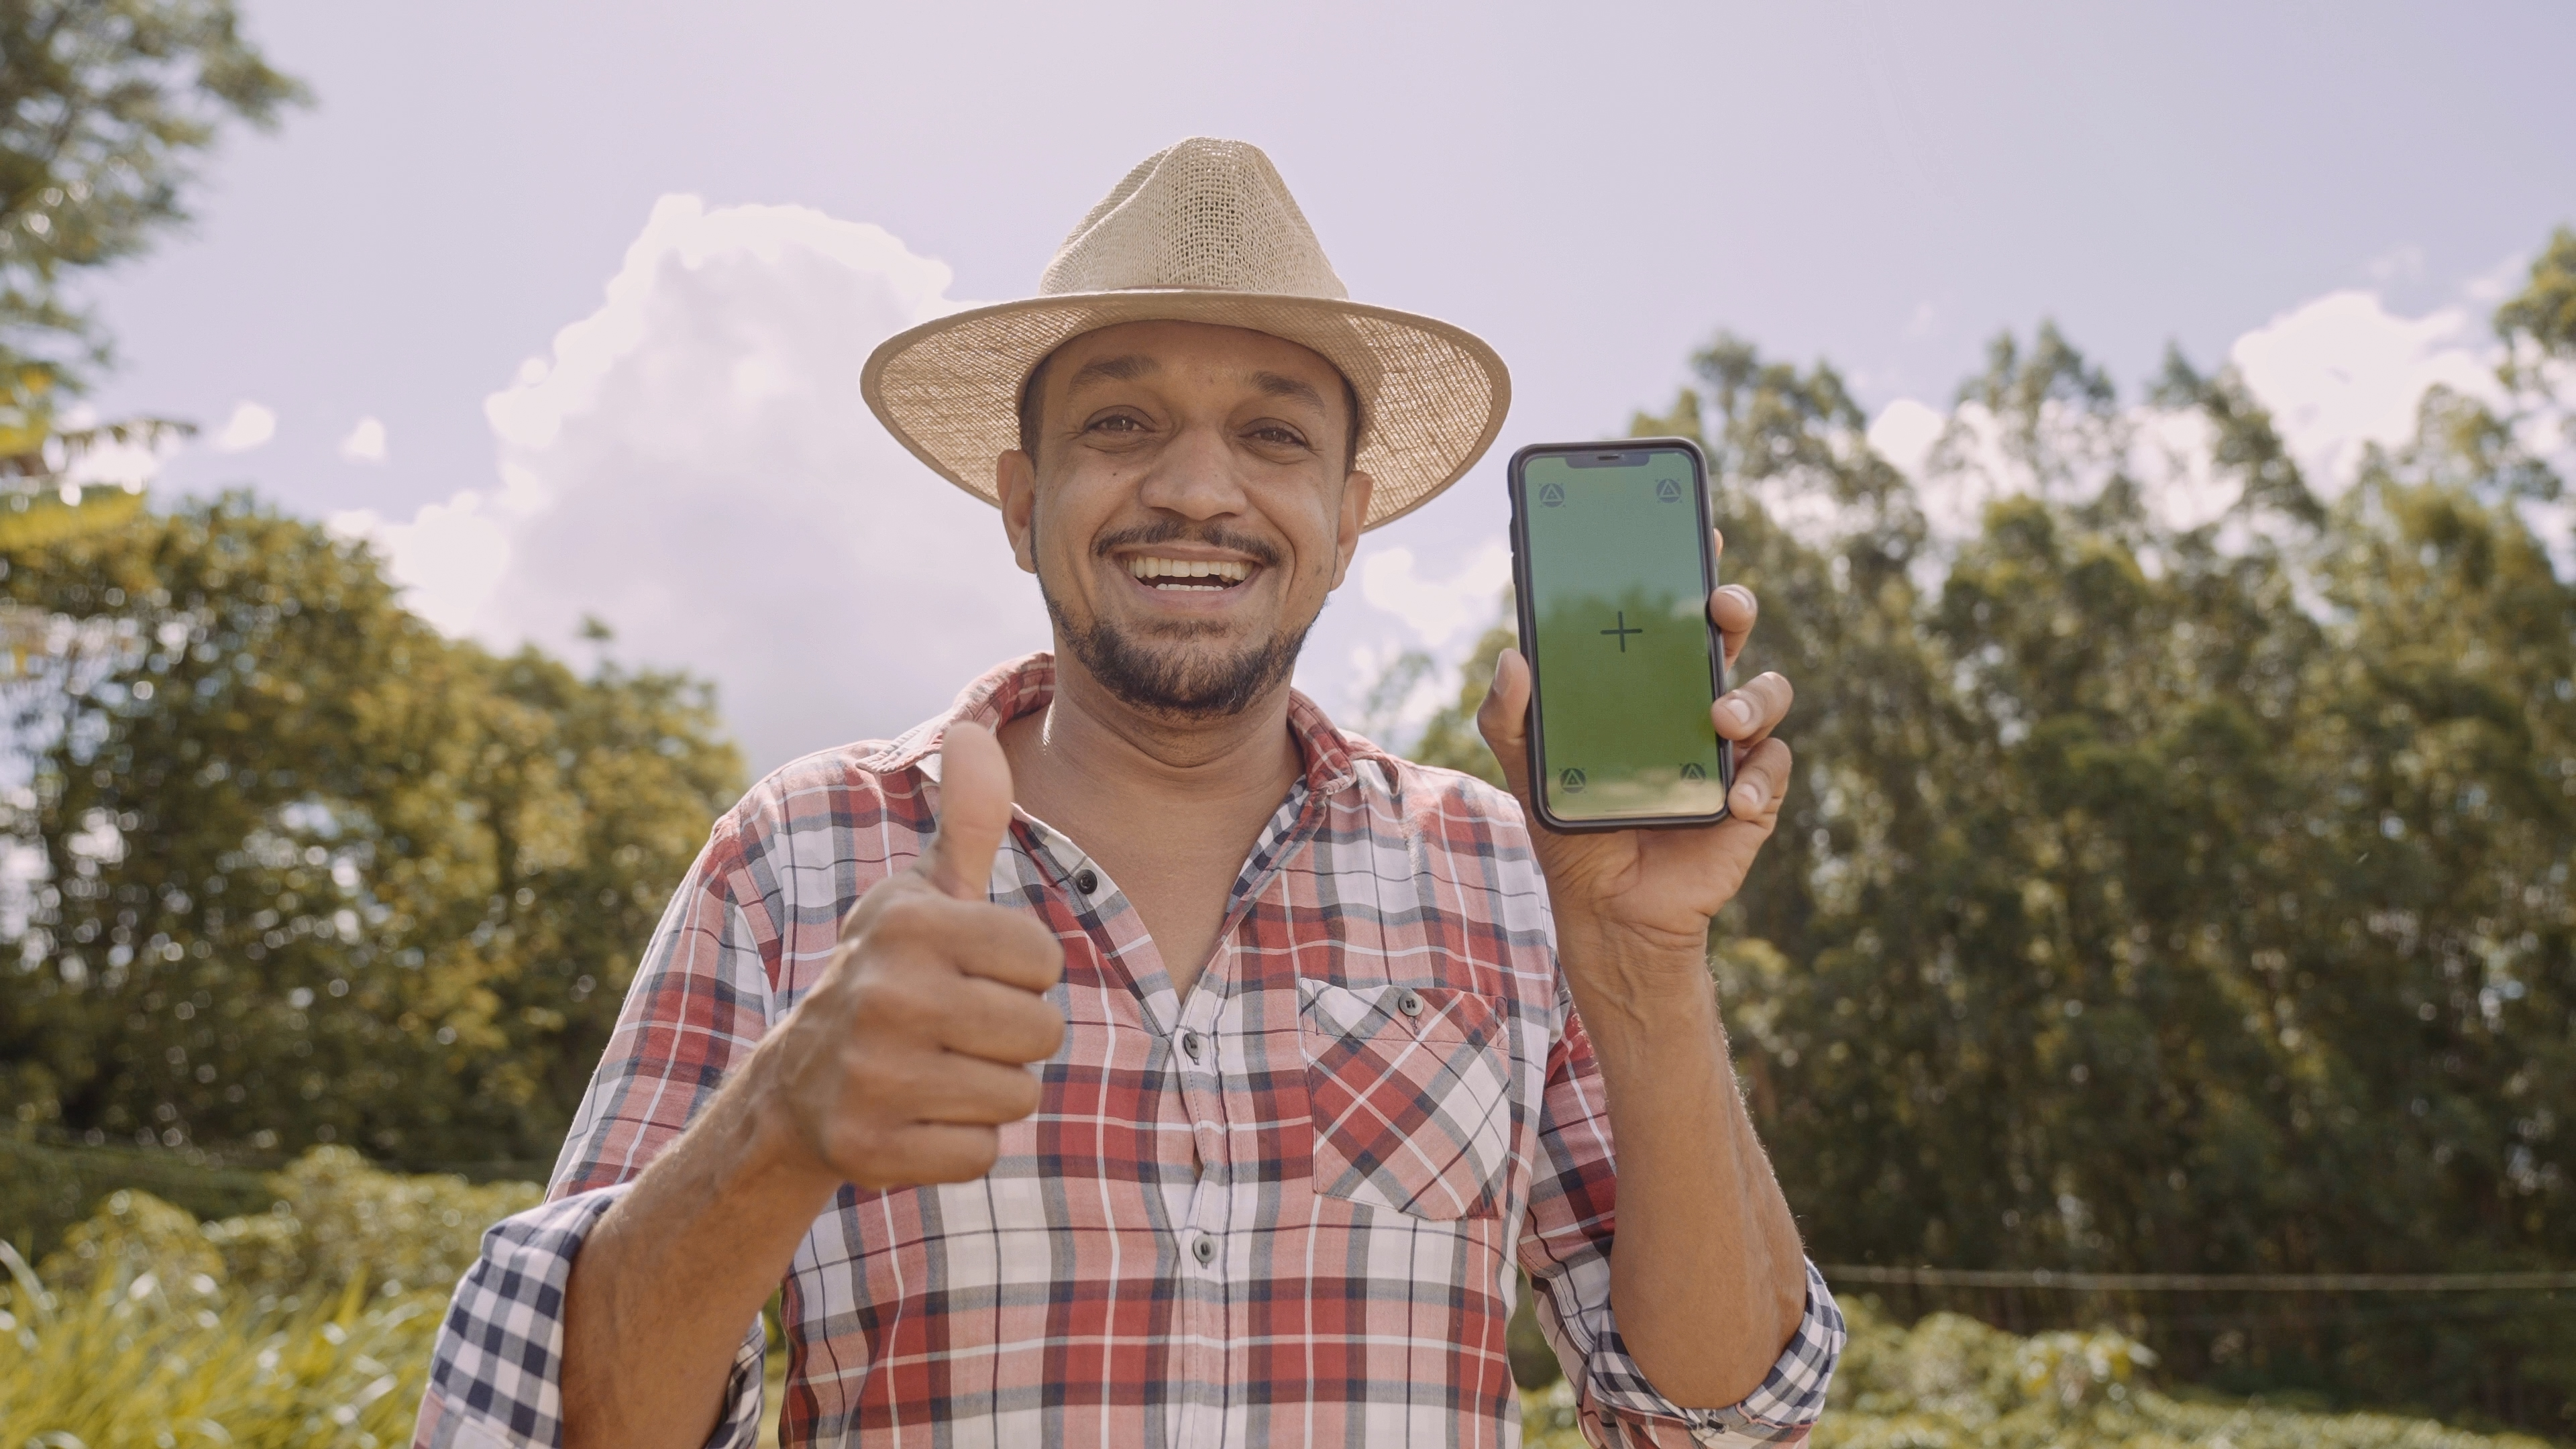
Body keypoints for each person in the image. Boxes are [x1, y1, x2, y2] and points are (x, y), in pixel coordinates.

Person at [413, 137, 1842, 1449]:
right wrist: (779, 1121)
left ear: (1349, 522)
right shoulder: (797, 856)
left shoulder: (1501, 871)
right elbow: (557, 1426)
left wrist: (1645, 963)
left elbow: (1713, 1424)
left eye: (1276, 436)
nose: (1199, 490)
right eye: (1120, 425)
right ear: (1020, 500)